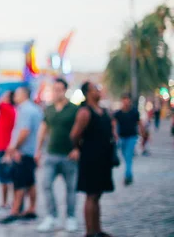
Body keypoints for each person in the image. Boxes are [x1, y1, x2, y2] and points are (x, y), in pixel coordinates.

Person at [70, 82, 115, 237]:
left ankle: (98, 229)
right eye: (95, 88)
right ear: (88, 93)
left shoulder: (103, 111)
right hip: (91, 159)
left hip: (103, 158)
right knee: (91, 195)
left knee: (98, 195)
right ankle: (90, 232)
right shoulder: (85, 112)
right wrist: (79, 148)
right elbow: (74, 135)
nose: (98, 90)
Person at [35, 78, 79, 232]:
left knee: (71, 189)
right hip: (51, 154)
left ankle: (71, 217)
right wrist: (38, 150)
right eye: (54, 89)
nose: (56, 92)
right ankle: (51, 217)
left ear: (65, 90)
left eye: (59, 89)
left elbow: (82, 131)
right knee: (46, 184)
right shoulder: (49, 109)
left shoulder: (74, 109)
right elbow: (43, 129)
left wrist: (77, 148)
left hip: (69, 155)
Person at [0, 86, 43, 224]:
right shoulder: (35, 109)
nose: (14, 97)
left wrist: (14, 148)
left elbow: (24, 131)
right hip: (31, 151)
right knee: (30, 182)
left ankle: (15, 211)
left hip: (23, 152)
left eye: (17, 94)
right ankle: (31, 209)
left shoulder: (25, 110)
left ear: (24, 95)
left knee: (19, 182)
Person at [113, 93, 145, 185]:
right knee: (125, 156)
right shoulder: (118, 113)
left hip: (132, 137)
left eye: (127, 99)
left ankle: (128, 176)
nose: (126, 101)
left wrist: (143, 134)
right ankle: (129, 175)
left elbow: (140, 123)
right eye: (124, 99)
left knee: (128, 156)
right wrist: (115, 134)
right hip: (122, 138)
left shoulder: (134, 112)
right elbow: (114, 125)